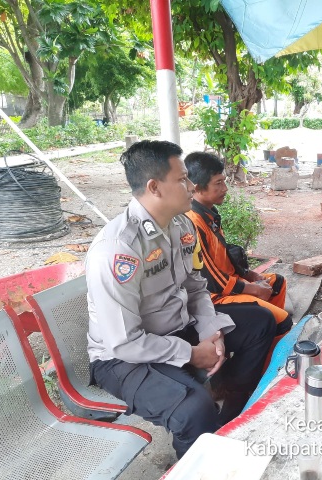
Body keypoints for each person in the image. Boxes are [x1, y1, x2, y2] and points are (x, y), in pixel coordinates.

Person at [86, 140, 276, 459]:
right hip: (122, 357)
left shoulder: (181, 226)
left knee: (260, 322)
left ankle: (229, 422)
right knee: (192, 410)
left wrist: (210, 331)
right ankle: (200, 459)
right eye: (183, 179)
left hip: (177, 329)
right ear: (154, 187)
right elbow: (123, 342)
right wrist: (191, 353)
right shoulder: (119, 250)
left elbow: (195, 286)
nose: (191, 186)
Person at [183, 151, 292, 357]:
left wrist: (248, 274)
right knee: (283, 321)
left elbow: (223, 254)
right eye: (218, 183)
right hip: (214, 298)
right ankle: (266, 373)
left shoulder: (209, 213)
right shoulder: (193, 221)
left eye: (224, 181)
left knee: (276, 282)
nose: (225, 188)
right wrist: (251, 289)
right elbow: (210, 280)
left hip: (230, 283)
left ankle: (259, 339)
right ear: (197, 188)